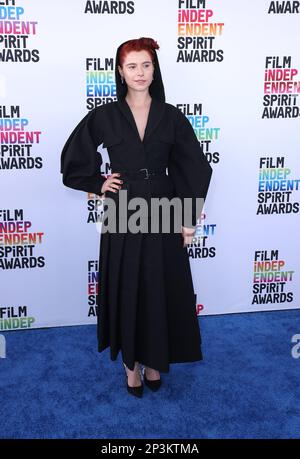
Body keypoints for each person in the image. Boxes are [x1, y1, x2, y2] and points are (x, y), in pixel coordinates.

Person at [60, 37, 213, 398]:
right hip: (124, 207)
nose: (140, 73)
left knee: (160, 285)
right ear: (120, 71)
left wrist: (188, 219)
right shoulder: (104, 116)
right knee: (128, 284)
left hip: (163, 205)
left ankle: (155, 360)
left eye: (146, 65)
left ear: (154, 69)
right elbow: (73, 161)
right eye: (132, 66)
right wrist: (98, 182)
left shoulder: (171, 115)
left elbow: (194, 167)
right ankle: (132, 365)